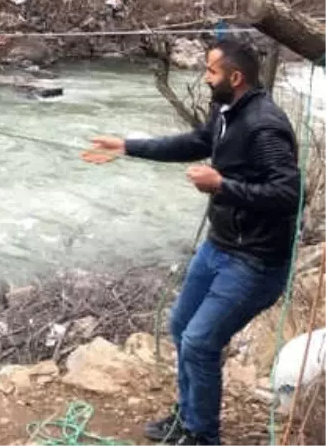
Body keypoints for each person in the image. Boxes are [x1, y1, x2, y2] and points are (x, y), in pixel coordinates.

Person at [89, 38, 300, 446]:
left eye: (211, 71)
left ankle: (202, 436)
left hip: (256, 261)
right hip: (221, 245)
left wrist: (223, 184)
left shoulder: (264, 125)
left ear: (234, 78)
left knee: (201, 341)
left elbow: (290, 195)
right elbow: (196, 143)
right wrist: (128, 146)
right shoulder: (224, 111)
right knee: (182, 325)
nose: (205, 77)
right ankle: (188, 418)